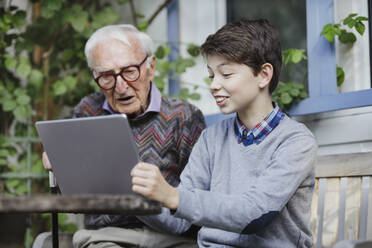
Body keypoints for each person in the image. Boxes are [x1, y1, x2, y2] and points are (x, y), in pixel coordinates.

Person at [131, 18, 318, 248]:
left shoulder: (296, 142)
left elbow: (253, 214)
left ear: (263, 75)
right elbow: (179, 221)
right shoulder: (211, 139)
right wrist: (130, 198)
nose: (213, 85)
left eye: (226, 74)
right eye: (211, 75)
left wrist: (171, 195)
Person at [42, 24, 206, 248]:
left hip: (170, 239)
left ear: (151, 67)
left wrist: (139, 196)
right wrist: (62, 170)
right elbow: (74, 200)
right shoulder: (89, 110)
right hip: (106, 238)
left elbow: (195, 209)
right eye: (106, 76)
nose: (120, 87)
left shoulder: (184, 117)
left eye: (129, 71)